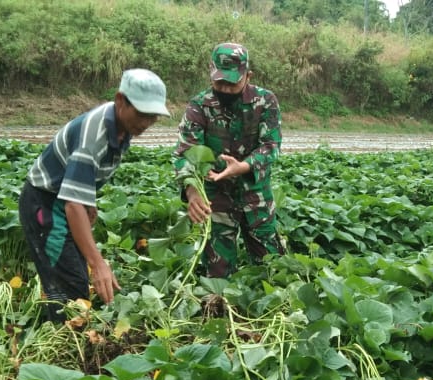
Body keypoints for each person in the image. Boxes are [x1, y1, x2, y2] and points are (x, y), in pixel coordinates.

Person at [19, 68, 169, 323]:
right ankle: (59, 348)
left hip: (63, 201)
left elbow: (79, 188)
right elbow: (72, 204)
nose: (146, 122)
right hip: (46, 205)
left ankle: (59, 330)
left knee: (72, 277)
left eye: (153, 117)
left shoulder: (123, 127)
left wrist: (89, 201)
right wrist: (98, 264)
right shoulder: (94, 134)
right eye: (142, 114)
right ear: (120, 100)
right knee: (70, 288)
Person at [172, 42, 285, 278]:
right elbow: (185, 153)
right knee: (217, 274)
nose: (223, 88)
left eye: (231, 83)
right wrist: (192, 192)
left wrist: (242, 167)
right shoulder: (199, 105)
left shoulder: (265, 101)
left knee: (273, 268)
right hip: (215, 199)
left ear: (247, 76)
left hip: (256, 197)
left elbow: (271, 146)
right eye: (218, 81)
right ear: (210, 72)